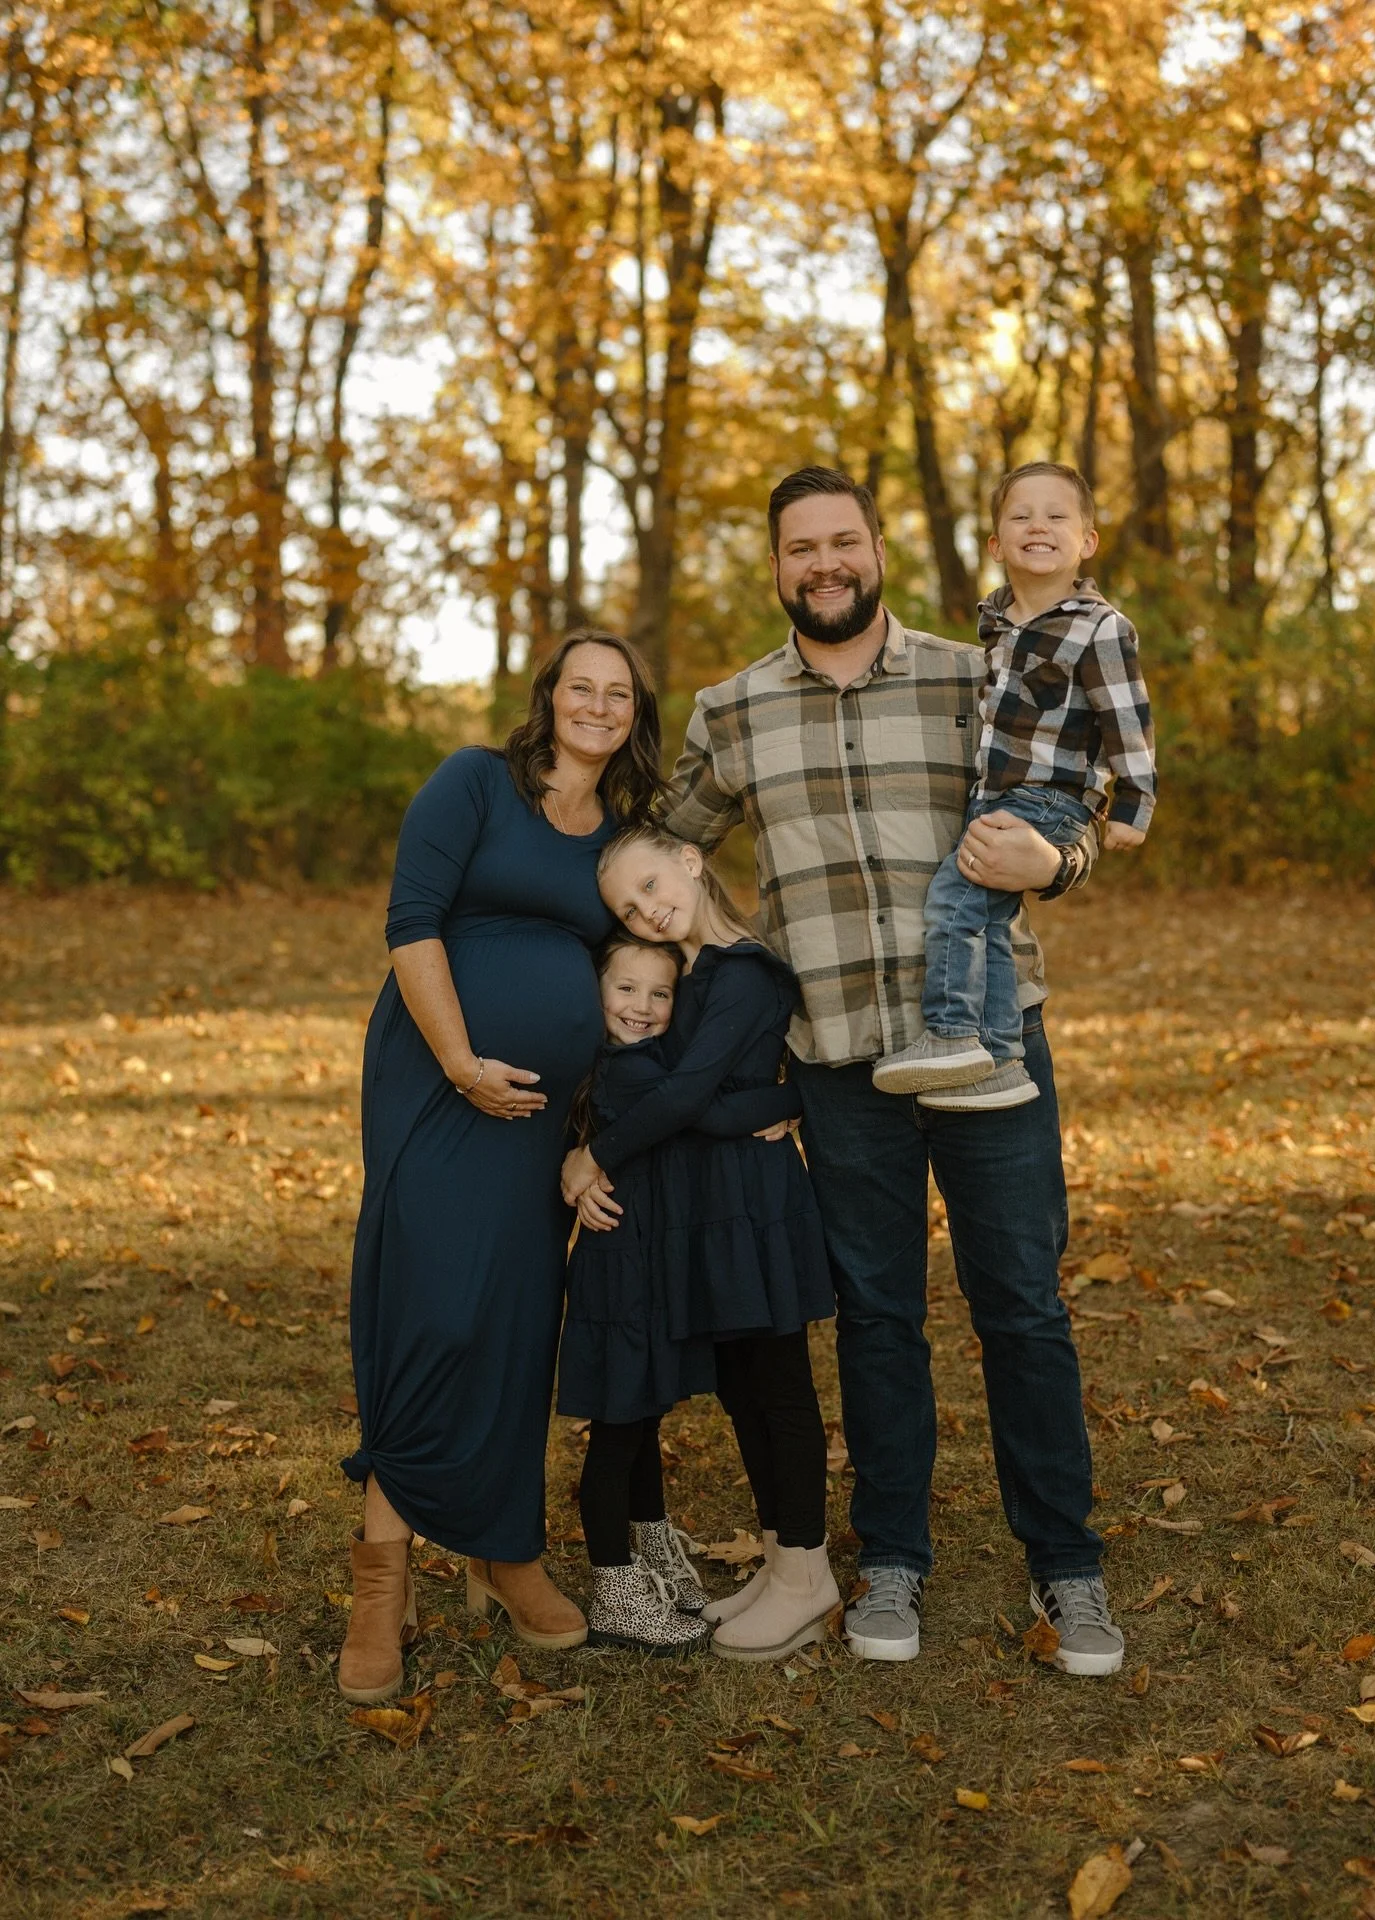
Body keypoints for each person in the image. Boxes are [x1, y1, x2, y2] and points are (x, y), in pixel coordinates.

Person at [666, 467, 1123, 1676]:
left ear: (878, 550)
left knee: (1022, 1305)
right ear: (775, 567)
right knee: (877, 1316)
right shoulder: (731, 710)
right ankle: (894, 1562)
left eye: (844, 542)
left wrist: (1057, 864)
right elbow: (664, 853)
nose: (825, 563)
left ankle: (1066, 1565)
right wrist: (733, 950)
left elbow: (1073, 794)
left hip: (989, 1045)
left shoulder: (974, 673)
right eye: (800, 548)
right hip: (837, 1060)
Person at [336, 631, 666, 1706]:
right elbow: (411, 924)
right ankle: (381, 1580)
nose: (599, 705)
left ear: (631, 716)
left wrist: (590, 1124)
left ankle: (501, 1547)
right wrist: (462, 1061)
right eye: (584, 685)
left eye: (619, 694)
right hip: (437, 1082)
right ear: (550, 695)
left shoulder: (621, 837)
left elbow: (647, 958)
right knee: (435, 1307)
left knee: (523, 1312)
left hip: (537, 1118)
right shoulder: (474, 782)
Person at [560, 826, 840, 1662]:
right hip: (706, 1208)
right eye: (628, 908)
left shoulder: (745, 971)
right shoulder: (687, 976)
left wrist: (591, 1157)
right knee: (744, 1389)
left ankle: (810, 1572)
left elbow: (692, 1100)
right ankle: (779, 1558)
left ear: (688, 856)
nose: (649, 910)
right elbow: (683, 1092)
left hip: (752, 1208)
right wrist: (769, 1096)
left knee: (781, 1386)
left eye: (651, 882)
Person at [874, 462, 1156, 1110]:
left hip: (1048, 798)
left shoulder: (1099, 627)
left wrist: (1132, 807)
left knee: (952, 900)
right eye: (1021, 515)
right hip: (996, 793)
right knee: (992, 923)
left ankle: (950, 1033)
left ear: (1087, 540)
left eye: (1057, 516)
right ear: (996, 544)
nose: (1039, 526)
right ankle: (999, 1058)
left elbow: (1127, 717)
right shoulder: (996, 624)